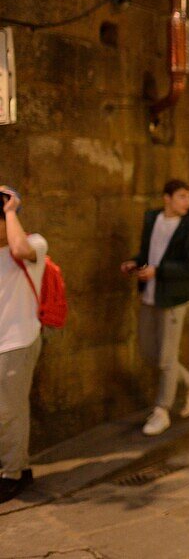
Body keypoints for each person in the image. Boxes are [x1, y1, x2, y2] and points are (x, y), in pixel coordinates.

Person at [120, 179, 189, 437]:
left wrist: (158, 271)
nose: (187, 203)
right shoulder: (152, 219)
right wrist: (134, 264)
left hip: (173, 298)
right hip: (149, 295)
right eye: (182, 197)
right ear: (166, 198)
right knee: (149, 351)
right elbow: (148, 254)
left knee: (167, 357)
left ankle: (162, 410)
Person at [0, 187, 45, 503]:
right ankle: (21, 469)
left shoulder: (35, 244)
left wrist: (11, 209)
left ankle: (11, 474)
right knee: (12, 410)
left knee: (7, 412)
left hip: (18, 340)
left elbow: (18, 248)